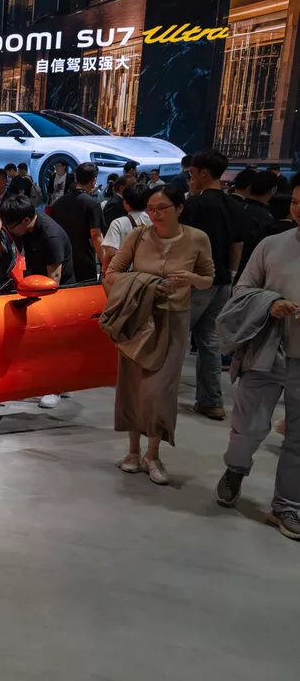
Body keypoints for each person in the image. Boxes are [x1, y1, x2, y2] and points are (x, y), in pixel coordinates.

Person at [103, 185, 215, 485]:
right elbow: (111, 273)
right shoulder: (137, 236)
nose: (155, 214)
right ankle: (132, 452)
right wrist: (148, 284)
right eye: (151, 209)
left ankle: (153, 454)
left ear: (179, 208)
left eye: (162, 208)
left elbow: (208, 279)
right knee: (132, 387)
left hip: (174, 320)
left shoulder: (197, 238)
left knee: (160, 391)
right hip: (138, 318)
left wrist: (191, 278)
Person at [215, 175, 300, 538]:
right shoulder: (272, 245)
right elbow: (242, 290)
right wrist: (271, 304)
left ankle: (287, 506)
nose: (299, 210)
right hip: (269, 350)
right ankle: (236, 468)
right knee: (248, 426)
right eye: (296, 202)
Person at [180, 149, 244, 420]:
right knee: (209, 342)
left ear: (204, 173)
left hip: (196, 280)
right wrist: (231, 275)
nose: (191, 179)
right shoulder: (235, 204)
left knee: (174, 339)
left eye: (192, 173)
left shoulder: (195, 204)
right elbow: (237, 244)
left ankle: (160, 395)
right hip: (223, 280)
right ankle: (211, 401)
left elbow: (182, 243)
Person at [0, 194, 76, 410]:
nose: (11, 231)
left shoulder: (50, 236)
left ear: (25, 220)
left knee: (52, 341)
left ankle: (54, 387)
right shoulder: (28, 224)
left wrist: (39, 304)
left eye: (12, 227)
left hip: (56, 293)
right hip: (36, 284)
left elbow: (55, 278)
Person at [49, 161, 104, 283]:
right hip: (84, 261)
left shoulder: (58, 203)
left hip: (62, 259)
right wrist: (106, 263)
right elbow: (96, 236)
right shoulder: (92, 204)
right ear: (94, 180)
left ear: (75, 178)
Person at [234, 170, 278, 284]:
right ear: (272, 190)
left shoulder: (235, 208)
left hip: (226, 268)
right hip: (249, 272)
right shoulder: (266, 217)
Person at [101, 183, 152, 271]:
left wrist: (104, 272)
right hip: (151, 272)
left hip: (125, 274)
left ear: (125, 203)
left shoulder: (118, 223)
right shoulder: (155, 221)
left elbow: (111, 253)